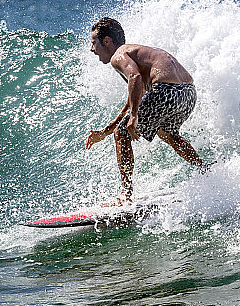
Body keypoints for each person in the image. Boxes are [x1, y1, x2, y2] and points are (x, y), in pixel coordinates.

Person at [85, 17, 208, 205]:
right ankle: (204, 170)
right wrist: (106, 131)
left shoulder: (119, 55)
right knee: (168, 134)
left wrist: (133, 117)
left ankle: (125, 194)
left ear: (107, 41)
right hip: (188, 93)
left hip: (166, 91)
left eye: (94, 43)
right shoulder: (136, 53)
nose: (92, 49)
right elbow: (137, 95)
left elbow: (135, 78)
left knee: (122, 133)